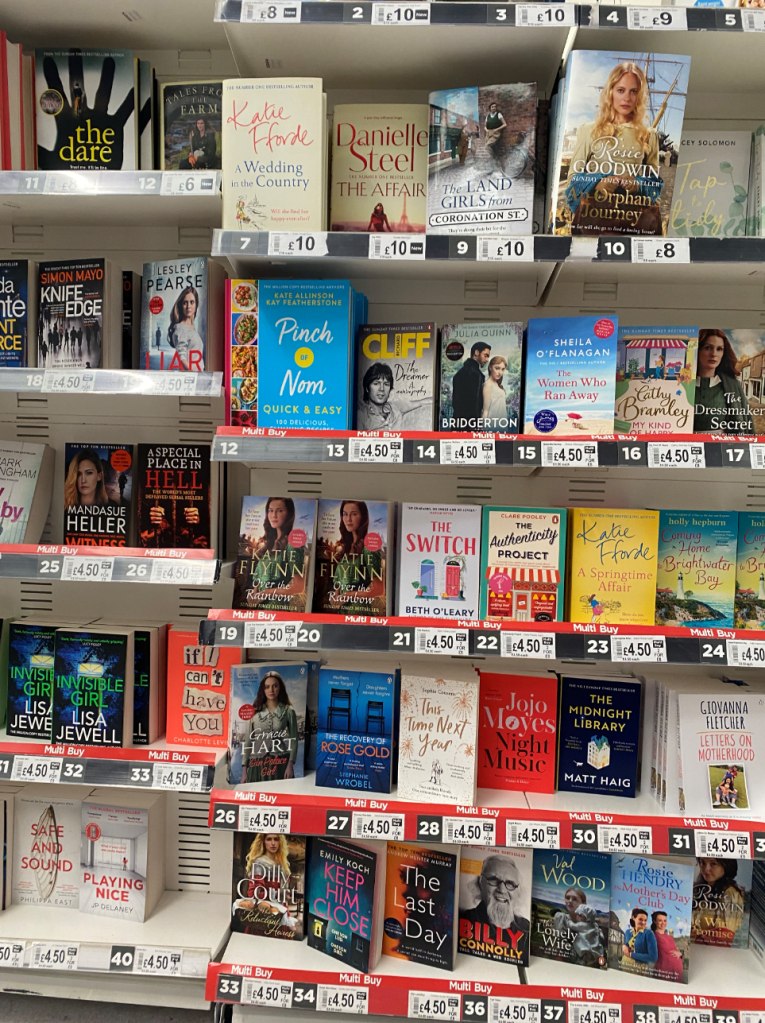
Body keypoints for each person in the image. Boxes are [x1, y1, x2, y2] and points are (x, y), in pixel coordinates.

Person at [566, 62, 661, 234]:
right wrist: (598, 183)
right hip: (594, 219)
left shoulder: (649, 136)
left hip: (632, 222)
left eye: (633, 91)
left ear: (640, 96)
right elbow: (572, 182)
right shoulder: (589, 130)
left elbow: (655, 186)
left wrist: (637, 184)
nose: (627, 98)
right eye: (621, 90)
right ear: (610, 92)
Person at [242, 497, 306, 601]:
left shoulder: (293, 544)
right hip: (260, 604)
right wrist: (255, 591)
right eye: (270, 510)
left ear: (289, 514)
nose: (273, 515)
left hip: (276, 604)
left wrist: (266, 593)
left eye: (279, 511)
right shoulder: (269, 543)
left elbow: (298, 587)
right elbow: (261, 576)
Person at [232, 833, 298, 933]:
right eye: (269, 839)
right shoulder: (260, 863)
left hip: (279, 914)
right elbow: (254, 893)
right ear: (263, 842)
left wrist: (287, 918)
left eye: (276, 839)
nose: (273, 843)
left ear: (280, 842)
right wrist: (277, 893)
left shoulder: (282, 864)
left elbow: (283, 900)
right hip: (263, 915)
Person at [241, 671, 299, 782]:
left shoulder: (288, 711)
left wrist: (290, 765)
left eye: (275, 686)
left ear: (280, 688)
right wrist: (244, 772)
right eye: (267, 687)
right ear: (263, 689)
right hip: (257, 765)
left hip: (281, 763)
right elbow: (248, 742)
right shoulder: (253, 712)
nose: (271, 690)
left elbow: (294, 740)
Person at [324, 500, 384, 607]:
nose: (348, 519)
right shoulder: (345, 547)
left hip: (359, 610)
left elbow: (379, 589)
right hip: (342, 610)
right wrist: (336, 594)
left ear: (363, 517)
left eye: (354, 514)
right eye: (345, 514)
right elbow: (342, 581)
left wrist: (348, 595)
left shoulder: (369, 548)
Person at [694, 328, 753, 434]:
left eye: (719, 349)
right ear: (697, 350)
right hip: (685, 442)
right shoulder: (681, 384)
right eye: (708, 348)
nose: (713, 354)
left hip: (722, 443)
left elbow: (747, 421)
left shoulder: (733, 386)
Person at [460, 854, 529, 939]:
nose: (502, 890)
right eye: (493, 880)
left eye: (510, 884)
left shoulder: (526, 928)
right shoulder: (464, 919)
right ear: (480, 883)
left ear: (517, 892)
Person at [356, 362, 432, 430]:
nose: (381, 389)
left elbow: (422, 402)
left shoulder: (395, 407)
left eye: (386, 384)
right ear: (367, 388)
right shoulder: (361, 416)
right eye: (376, 383)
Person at [692, 858, 746, 947]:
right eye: (702, 862)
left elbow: (723, 938)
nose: (706, 869)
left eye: (713, 864)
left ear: (726, 866)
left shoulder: (730, 894)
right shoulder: (700, 890)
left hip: (711, 952)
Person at [552, 887, 605, 967]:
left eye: (574, 899)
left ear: (583, 904)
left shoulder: (592, 925)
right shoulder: (562, 919)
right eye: (567, 898)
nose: (570, 901)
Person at [451, 341, 491, 427]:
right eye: (485, 355)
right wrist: (476, 426)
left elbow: (456, 403)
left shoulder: (459, 373)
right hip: (470, 426)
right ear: (476, 352)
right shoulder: (475, 374)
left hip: (458, 423)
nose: (487, 359)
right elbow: (474, 405)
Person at [167, 285, 204, 370]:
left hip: (199, 374)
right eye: (185, 303)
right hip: (191, 375)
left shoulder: (192, 328)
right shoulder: (180, 328)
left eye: (192, 302)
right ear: (181, 305)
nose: (188, 306)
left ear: (196, 305)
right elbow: (182, 359)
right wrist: (195, 374)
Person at [650, 910, 684, 982]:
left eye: (665, 921)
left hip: (677, 971)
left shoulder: (669, 937)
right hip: (663, 970)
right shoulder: (652, 936)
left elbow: (675, 951)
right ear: (654, 921)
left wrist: (680, 954)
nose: (663, 923)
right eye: (660, 920)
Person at [481, 355, 508, 430]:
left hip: (501, 424)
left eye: (502, 369)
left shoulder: (496, 384)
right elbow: (485, 411)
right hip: (492, 426)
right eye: (497, 368)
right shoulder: (488, 385)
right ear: (490, 367)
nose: (500, 372)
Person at [621, 908, 650, 975]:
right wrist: (624, 946)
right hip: (626, 963)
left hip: (640, 965)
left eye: (645, 920)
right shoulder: (628, 932)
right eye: (640, 919)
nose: (643, 922)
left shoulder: (648, 934)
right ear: (634, 918)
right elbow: (626, 944)